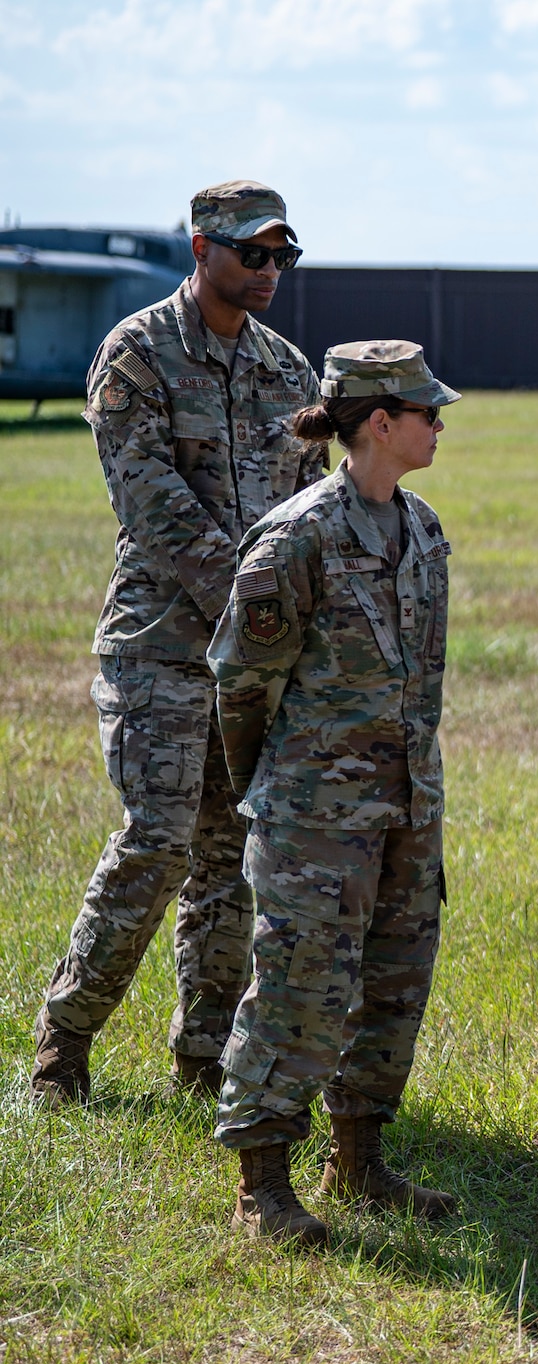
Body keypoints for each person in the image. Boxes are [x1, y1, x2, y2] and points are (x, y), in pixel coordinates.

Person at [31, 181, 322, 1106]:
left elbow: (311, 508)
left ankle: (203, 1059)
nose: (270, 271)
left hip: (254, 661)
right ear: (202, 250)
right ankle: (62, 1041)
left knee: (232, 858)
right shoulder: (136, 355)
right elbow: (153, 507)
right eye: (253, 254)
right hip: (159, 647)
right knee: (156, 843)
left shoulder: (288, 371)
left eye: (283, 255)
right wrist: (256, 600)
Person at [206, 341, 461, 1246]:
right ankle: (261, 1182)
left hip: (406, 807)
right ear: (379, 424)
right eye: (428, 412)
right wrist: (276, 794)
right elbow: (242, 686)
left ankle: (359, 1158)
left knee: (393, 985)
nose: (442, 424)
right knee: (298, 991)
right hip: (314, 816)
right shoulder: (296, 537)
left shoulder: (423, 530)